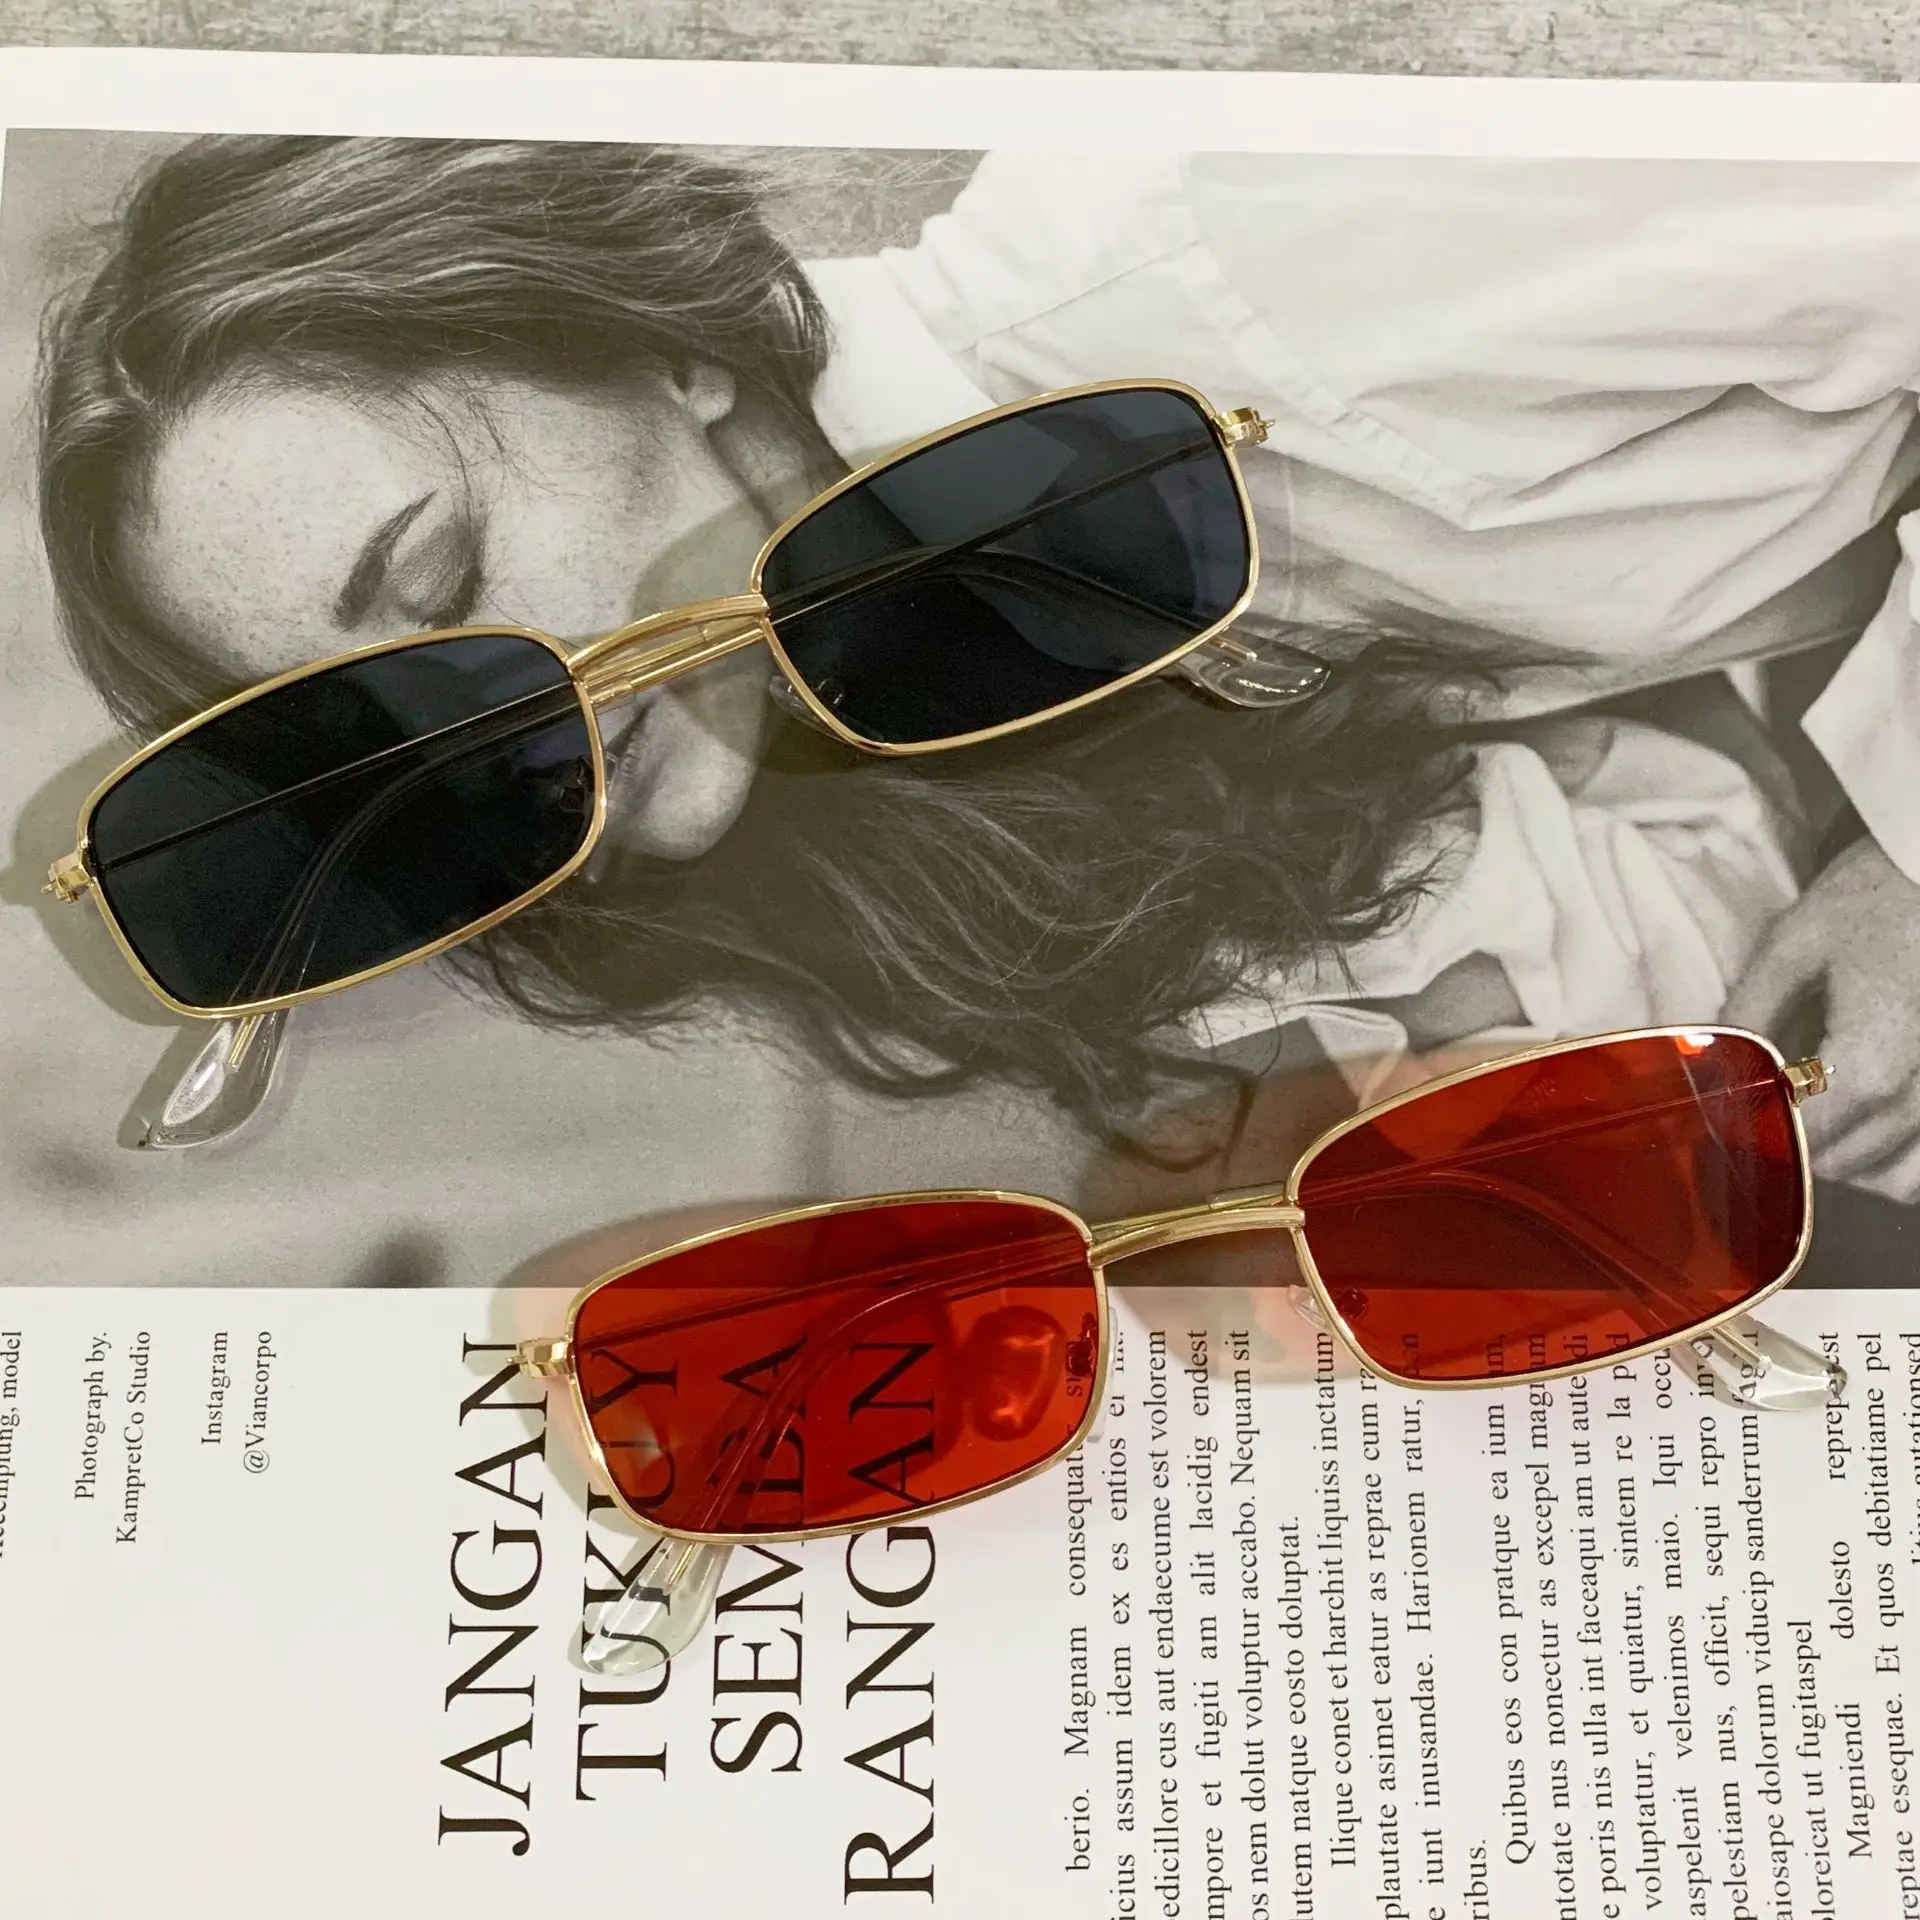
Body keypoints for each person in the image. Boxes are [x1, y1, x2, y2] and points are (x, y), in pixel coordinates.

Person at [34, 137, 1919, 1191]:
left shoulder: (1247, 233)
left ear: (654, 345)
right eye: (389, 740)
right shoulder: (866, 748)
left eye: (445, 571)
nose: (500, 730)